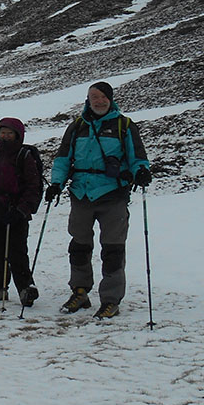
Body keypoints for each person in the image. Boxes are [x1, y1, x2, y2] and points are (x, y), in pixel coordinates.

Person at [44, 82, 152, 319]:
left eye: (102, 97)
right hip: (81, 194)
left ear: (110, 99)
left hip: (113, 194)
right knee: (79, 246)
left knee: (113, 248)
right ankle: (80, 291)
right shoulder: (77, 126)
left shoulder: (124, 125)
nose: (98, 101)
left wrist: (141, 170)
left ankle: (111, 299)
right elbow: (63, 158)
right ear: (87, 100)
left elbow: (137, 156)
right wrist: (56, 183)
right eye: (94, 97)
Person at [0, 118, 42, 307]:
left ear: (18, 135)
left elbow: (32, 186)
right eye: (2, 133)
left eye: (9, 133)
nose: (5, 136)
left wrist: (22, 210)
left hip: (17, 213)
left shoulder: (25, 156)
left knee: (17, 251)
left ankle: (25, 288)